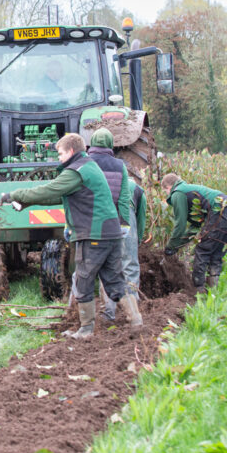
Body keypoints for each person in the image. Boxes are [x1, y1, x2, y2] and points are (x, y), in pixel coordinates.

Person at [1, 133, 142, 338]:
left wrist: (13, 195)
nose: (58, 158)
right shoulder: (88, 167)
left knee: (83, 281)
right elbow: (59, 195)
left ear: (71, 151)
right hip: (110, 233)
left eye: (60, 153)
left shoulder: (77, 171)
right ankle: (136, 320)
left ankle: (86, 330)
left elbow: (49, 189)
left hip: (93, 234)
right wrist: (25, 203)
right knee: (115, 281)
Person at [85, 128, 134, 321]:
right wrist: (125, 224)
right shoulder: (119, 165)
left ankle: (80, 318)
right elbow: (123, 198)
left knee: (82, 275)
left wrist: (69, 225)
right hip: (112, 226)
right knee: (113, 273)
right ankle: (114, 314)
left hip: (89, 225)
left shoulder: (85, 164)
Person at [162, 173, 227, 291]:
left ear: (168, 187)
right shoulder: (188, 190)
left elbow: (180, 225)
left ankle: (198, 290)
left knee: (202, 250)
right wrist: (179, 244)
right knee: (217, 250)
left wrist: (170, 246)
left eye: (166, 192)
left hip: (220, 211)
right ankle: (213, 290)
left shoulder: (177, 193)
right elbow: (195, 226)